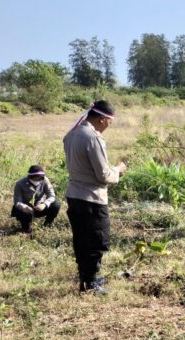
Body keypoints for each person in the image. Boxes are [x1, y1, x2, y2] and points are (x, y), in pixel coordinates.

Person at [63, 100, 126, 294]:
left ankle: (85, 278)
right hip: (92, 198)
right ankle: (90, 283)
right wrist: (119, 170)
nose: (108, 126)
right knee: (97, 241)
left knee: (81, 240)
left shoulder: (71, 134)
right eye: (109, 122)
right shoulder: (92, 138)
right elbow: (103, 175)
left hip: (74, 196)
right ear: (101, 119)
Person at [11, 165, 61, 234]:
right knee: (23, 212)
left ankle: (47, 224)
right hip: (26, 209)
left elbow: (52, 195)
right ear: (30, 177)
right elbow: (17, 202)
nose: (38, 180)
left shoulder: (44, 180)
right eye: (36, 178)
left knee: (56, 205)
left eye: (40, 178)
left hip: (39, 207)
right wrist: (24, 207)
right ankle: (26, 229)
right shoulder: (20, 184)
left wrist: (44, 204)